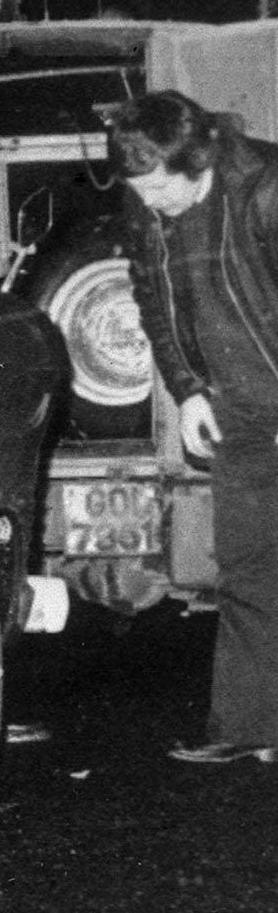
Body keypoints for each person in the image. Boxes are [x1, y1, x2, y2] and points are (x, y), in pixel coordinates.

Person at [110, 90, 278, 764]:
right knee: (247, 566)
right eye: (136, 187)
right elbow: (152, 299)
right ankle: (250, 726)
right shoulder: (146, 201)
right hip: (236, 406)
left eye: (158, 185)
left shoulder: (265, 189)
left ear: (198, 159)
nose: (149, 201)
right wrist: (186, 392)